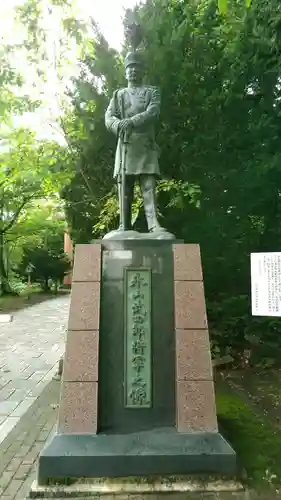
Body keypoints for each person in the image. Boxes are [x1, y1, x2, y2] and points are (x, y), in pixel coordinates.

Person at [105, 51, 166, 233]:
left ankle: (154, 224)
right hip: (125, 144)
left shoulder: (152, 92)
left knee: (148, 185)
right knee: (125, 186)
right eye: (130, 68)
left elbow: (153, 112)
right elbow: (109, 116)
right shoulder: (118, 95)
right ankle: (124, 224)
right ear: (125, 72)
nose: (133, 71)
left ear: (142, 71)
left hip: (145, 144)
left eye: (136, 68)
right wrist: (118, 124)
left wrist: (131, 121)